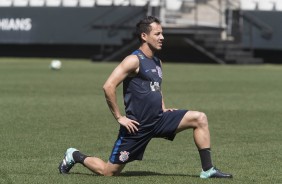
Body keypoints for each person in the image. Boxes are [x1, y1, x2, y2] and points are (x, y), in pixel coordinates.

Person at [58, 16, 232, 179]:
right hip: (137, 127)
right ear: (144, 36)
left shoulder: (157, 62)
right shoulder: (133, 60)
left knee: (199, 118)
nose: (162, 37)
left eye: (162, 33)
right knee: (108, 172)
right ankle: (74, 155)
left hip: (158, 119)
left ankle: (207, 170)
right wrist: (120, 117)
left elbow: (156, 88)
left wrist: (163, 108)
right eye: (157, 34)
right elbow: (108, 86)